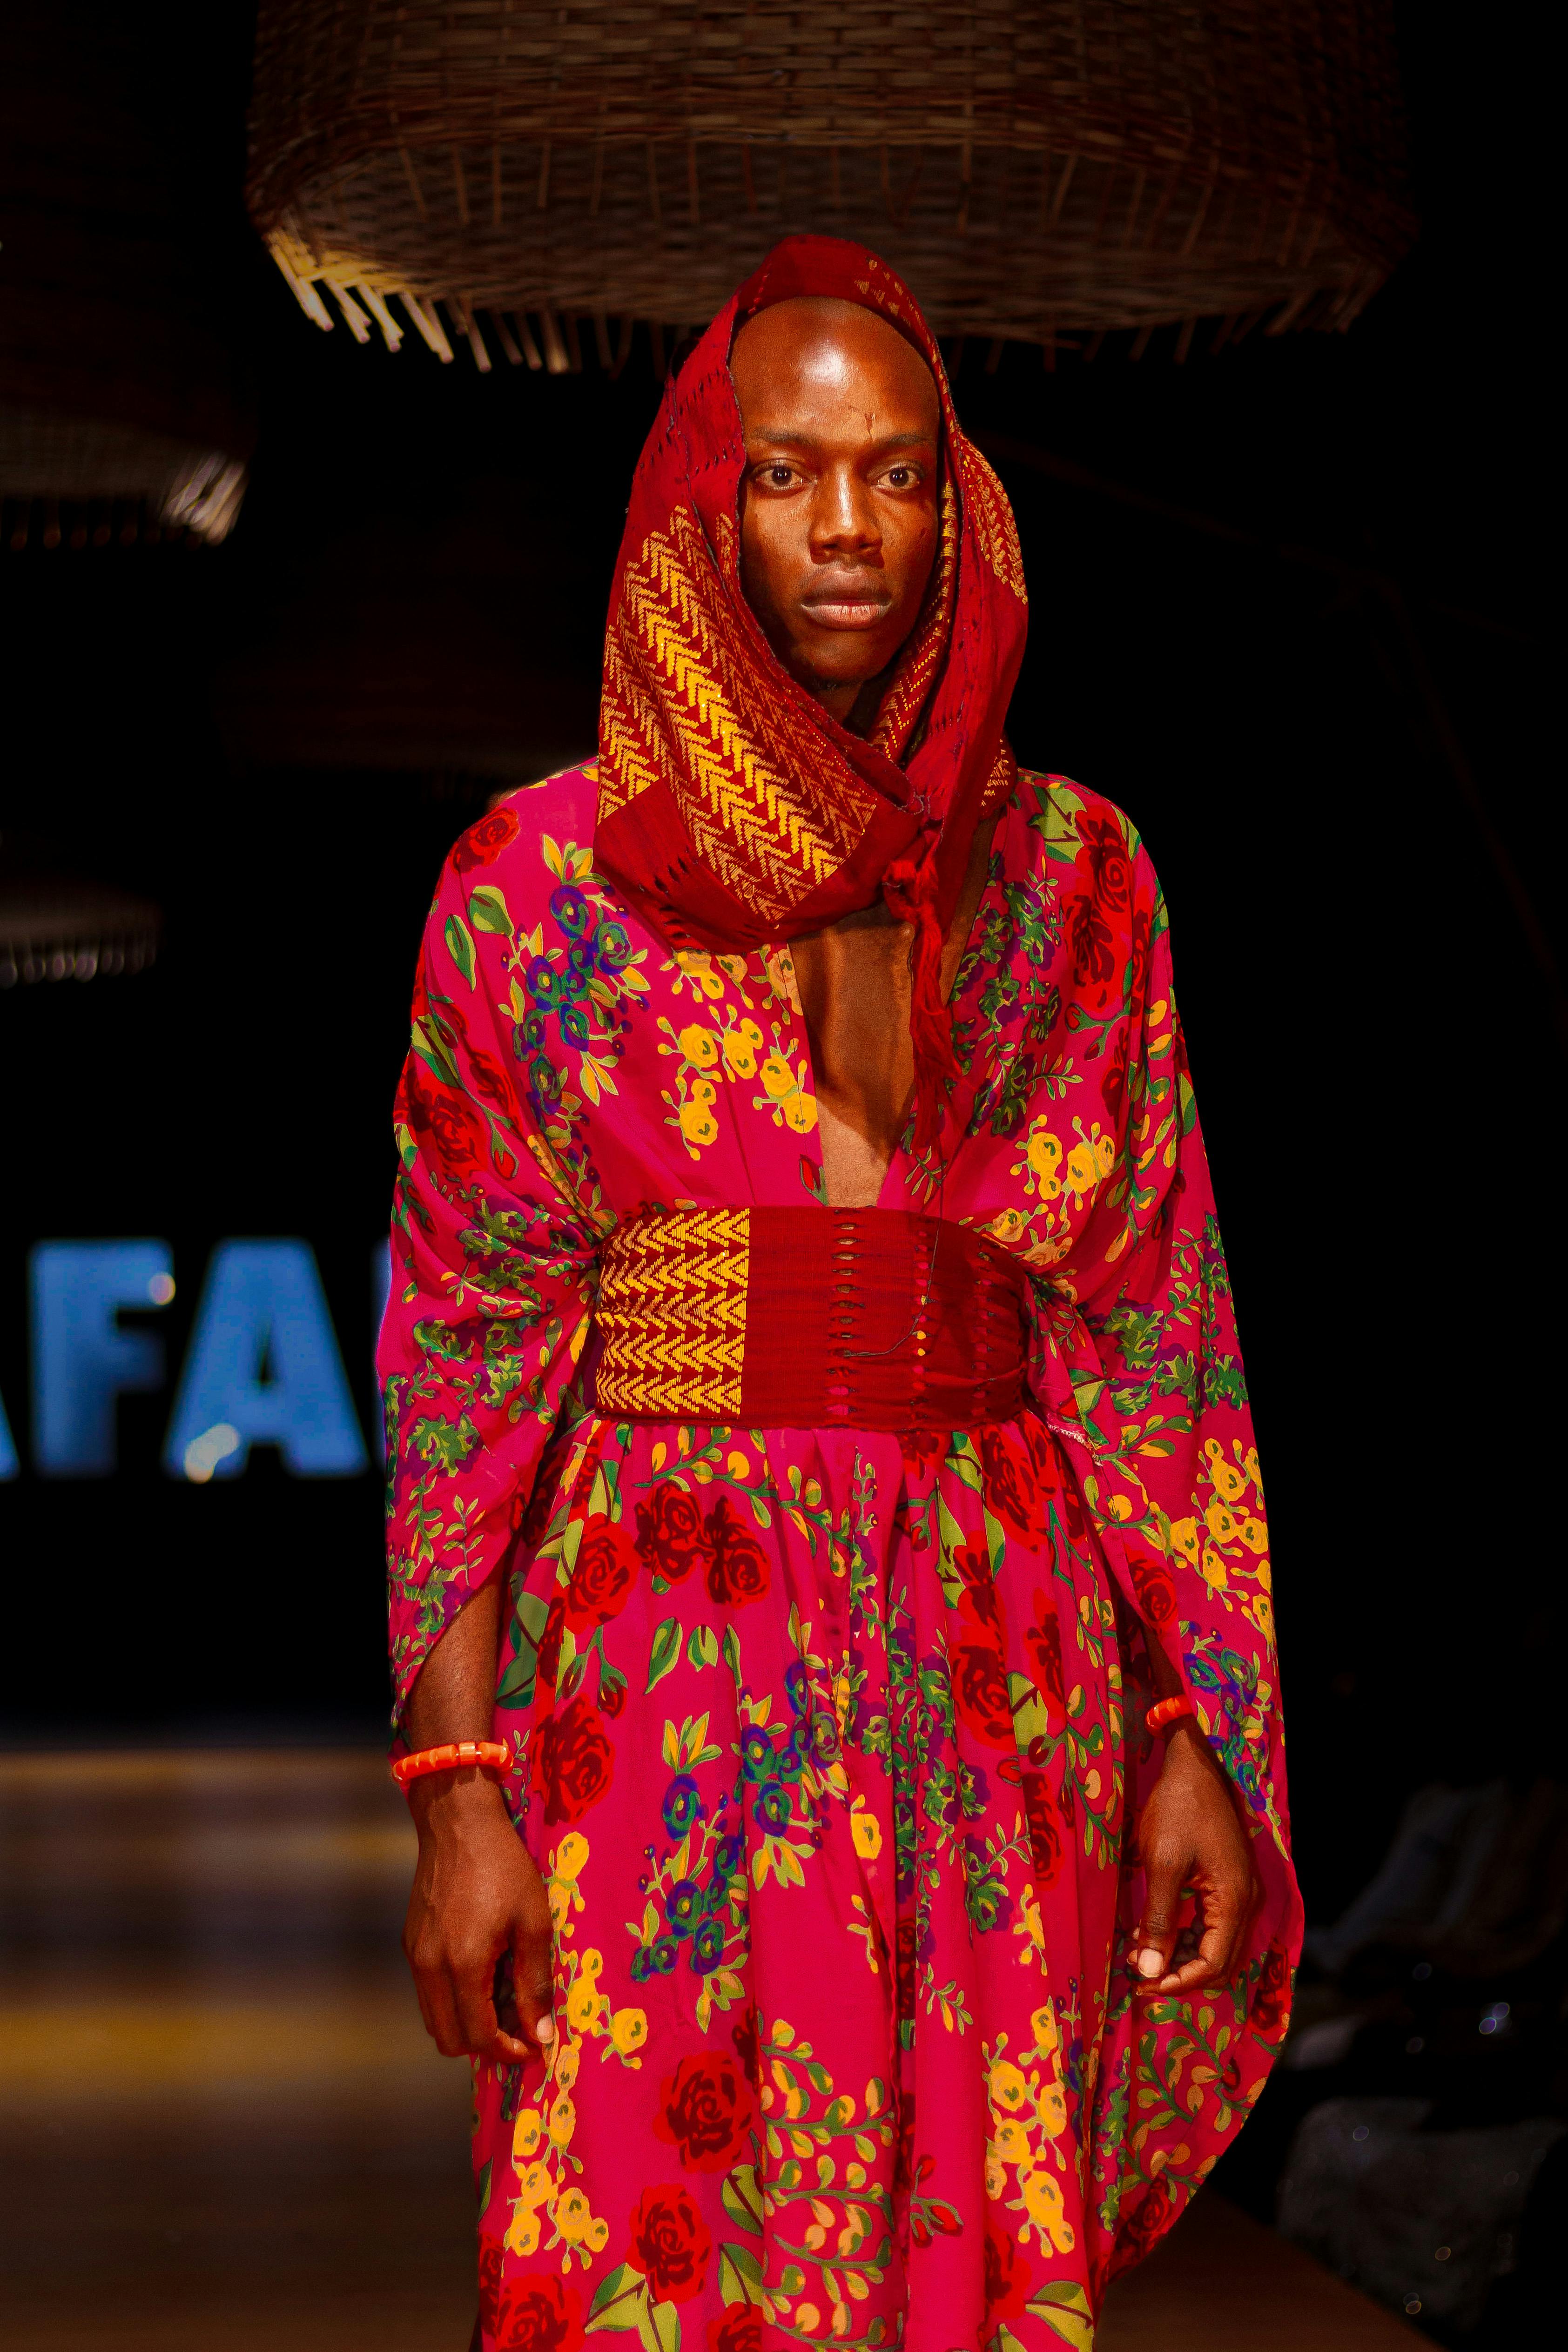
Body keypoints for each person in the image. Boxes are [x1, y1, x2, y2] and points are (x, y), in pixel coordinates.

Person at [379, 236, 1301, 2352]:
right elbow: (460, 1368)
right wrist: (457, 1795)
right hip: (652, 1679)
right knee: (636, 2239)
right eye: (787, 475)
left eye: (894, 471)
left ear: (956, 505)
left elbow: (1146, 1338)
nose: (847, 527)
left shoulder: (1076, 876)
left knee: (959, 2247)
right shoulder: (534, 887)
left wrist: (1186, 1730)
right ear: (703, 511)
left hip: (998, 1665)